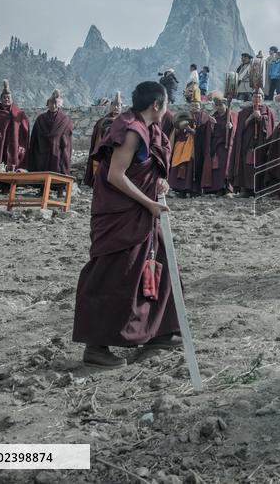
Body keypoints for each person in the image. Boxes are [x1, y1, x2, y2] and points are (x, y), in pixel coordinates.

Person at [72, 80, 181, 368]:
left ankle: (159, 330)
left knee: (161, 264)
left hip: (141, 211)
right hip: (121, 214)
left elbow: (144, 167)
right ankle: (96, 346)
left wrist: (160, 182)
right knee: (116, 273)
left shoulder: (149, 128)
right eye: (166, 104)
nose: (167, 109)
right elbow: (116, 176)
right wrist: (149, 203)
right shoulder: (131, 130)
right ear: (156, 105)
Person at [0, 79, 30, 182]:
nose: (6, 99)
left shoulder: (18, 112)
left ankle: (10, 184)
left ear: (11, 99)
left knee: (12, 163)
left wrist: (21, 144)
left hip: (13, 143)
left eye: (8, 97)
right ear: (1, 99)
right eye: (4, 97)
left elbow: (24, 128)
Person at [230, 87, 275, 197]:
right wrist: (250, 118)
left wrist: (261, 118)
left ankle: (259, 190)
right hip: (247, 144)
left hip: (261, 145)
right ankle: (246, 190)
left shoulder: (268, 111)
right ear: (251, 97)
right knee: (246, 166)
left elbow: (269, 129)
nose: (257, 98)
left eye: (259, 96)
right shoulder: (244, 112)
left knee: (260, 166)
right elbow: (240, 128)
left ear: (263, 98)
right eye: (255, 96)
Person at [167, 96, 213, 198]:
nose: (194, 107)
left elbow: (204, 133)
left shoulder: (204, 117)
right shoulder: (185, 115)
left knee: (193, 168)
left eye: (196, 105)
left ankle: (193, 190)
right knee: (180, 165)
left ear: (200, 106)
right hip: (183, 144)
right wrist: (182, 129)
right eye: (192, 105)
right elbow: (177, 129)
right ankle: (180, 190)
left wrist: (192, 131)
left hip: (196, 147)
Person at [27, 89, 73, 176]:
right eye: (51, 103)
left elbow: (68, 140)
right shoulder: (40, 119)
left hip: (57, 154)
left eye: (56, 103)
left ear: (59, 105)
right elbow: (34, 139)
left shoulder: (65, 120)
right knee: (41, 180)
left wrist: (64, 151)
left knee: (57, 178)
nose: (53, 105)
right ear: (48, 104)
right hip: (42, 154)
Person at [84, 91, 123, 187]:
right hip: (104, 152)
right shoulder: (102, 122)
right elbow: (97, 138)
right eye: (114, 105)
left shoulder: (124, 122)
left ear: (122, 107)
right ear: (110, 106)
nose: (116, 108)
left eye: (119, 106)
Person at [204, 96, 236, 195]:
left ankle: (227, 188)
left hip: (227, 145)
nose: (219, 107)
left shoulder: (231, 115)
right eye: (217, 105)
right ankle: (217, 188)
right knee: (216, 166)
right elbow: (210, 133)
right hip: (216, 145)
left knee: (226, 166)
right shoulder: (214, 117)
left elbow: (236, 128)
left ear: (226, 105)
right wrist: (212, 126)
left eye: (221, 105)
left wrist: (231, 127)